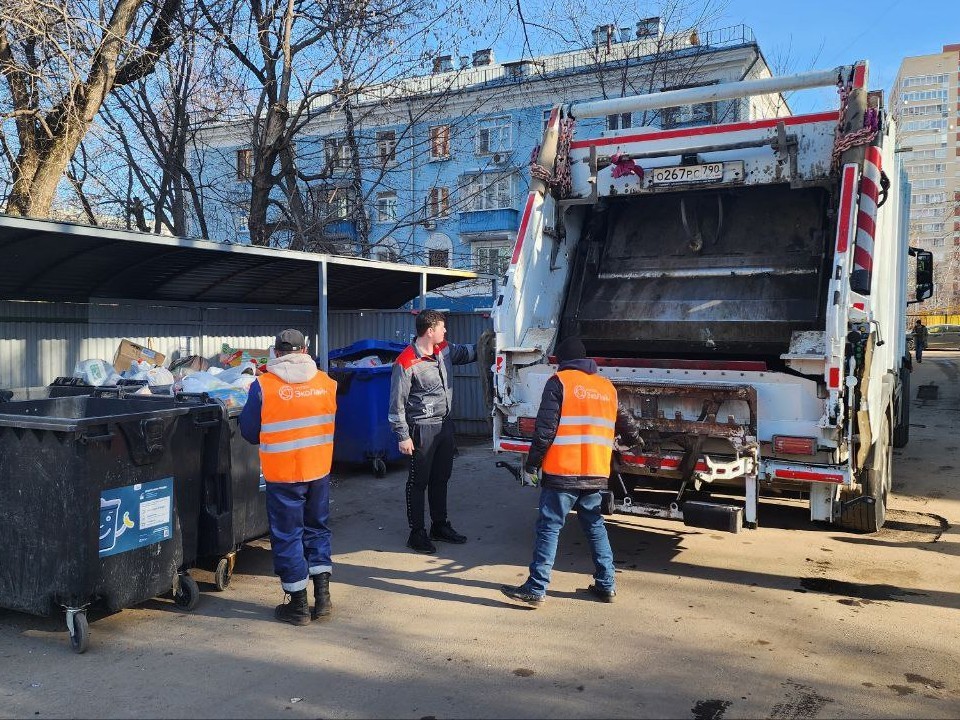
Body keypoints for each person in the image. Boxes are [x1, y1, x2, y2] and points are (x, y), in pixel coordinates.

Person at [500, 336, 641, 608]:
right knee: (595, 526)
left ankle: (537, 587)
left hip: (563, 472)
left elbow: (545, 431)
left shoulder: (559, 383)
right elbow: (630, 427)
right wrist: (629, 442)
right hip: (596, 472)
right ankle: (606, 584)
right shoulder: (605, 387)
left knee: (549, 528)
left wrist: (531, 464)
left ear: (563, 361)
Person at [239, 329, 337, 626]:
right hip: (318, 469)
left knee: (288, 535)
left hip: (284, 474)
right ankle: (323, 599)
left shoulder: (263, 386)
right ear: (305, 350)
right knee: (317, 529)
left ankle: (297, 606)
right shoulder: (326, 382)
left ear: (277, 353)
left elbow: (247, 431)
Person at [389, 309, 477, 554]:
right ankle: (416, 533)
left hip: (445, 425)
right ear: (430, 331)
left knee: (441, 478)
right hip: (421, 429)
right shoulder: (406, 362)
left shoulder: (444, 349)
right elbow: (396, 404)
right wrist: (403, 436)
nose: (445, 331)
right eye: (442, 327)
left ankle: (439, 526)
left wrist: (492, 344)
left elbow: (468, 352)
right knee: (419, 482)